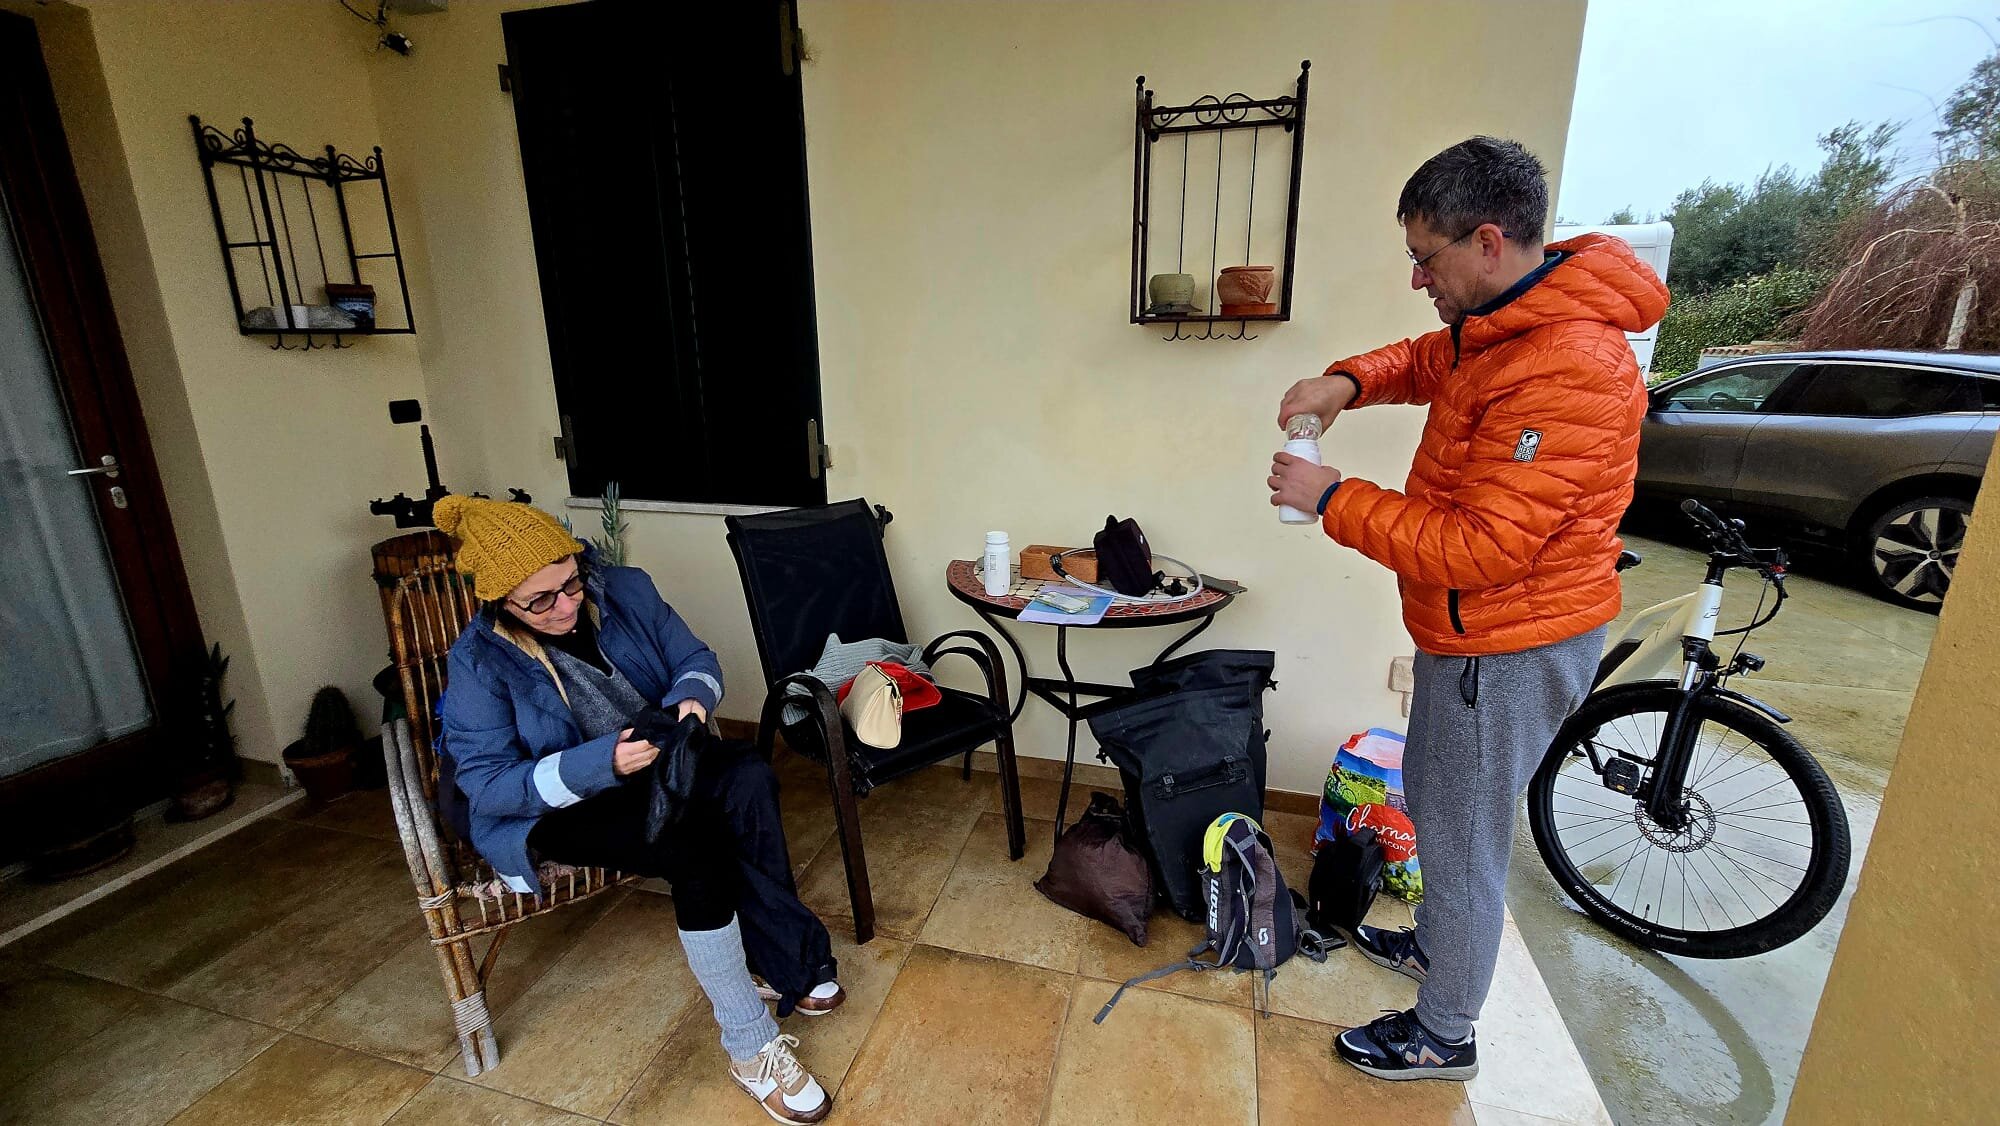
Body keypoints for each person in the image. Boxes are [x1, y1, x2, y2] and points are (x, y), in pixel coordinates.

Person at [1267, 136, 1668, 1082]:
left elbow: (1482, 549)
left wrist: (1330, 496)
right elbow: (1425, 356)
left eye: (1427, 258)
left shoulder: (1568, 365)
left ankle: (1444, 1033)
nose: (1418, 280)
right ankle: (1446, 958)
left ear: (1488, 242)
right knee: (1444, 808)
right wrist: (1347, 380)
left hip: (1510, 644)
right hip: (1480, 638)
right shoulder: (1510, 323)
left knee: (1462, 841)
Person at [433, 494, 839, 1124]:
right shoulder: (478, 661)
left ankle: (784, 955)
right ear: (499, 603)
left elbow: (696, 660)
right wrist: (602, 763)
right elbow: (486, 784)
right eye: (540, 601)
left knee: (751, 776)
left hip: (655, 762)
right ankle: (750, 1046)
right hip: (561, 800)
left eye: (569, 583)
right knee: (693, 845)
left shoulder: (624, 590)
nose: (566, 606)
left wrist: (689, 704)